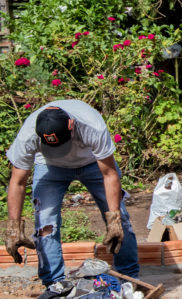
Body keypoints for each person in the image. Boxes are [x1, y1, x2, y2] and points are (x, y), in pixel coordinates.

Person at [5, 100, 137, 283]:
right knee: (45, 224)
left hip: (93, 163)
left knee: (120, 218)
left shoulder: (91, 125)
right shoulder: (27, 135)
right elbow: (17, 182)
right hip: (50, 166)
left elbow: (109, 174)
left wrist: (113, 219)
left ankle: (129, 280)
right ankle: (54, 285)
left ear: (71, 125)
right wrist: (13, 228)